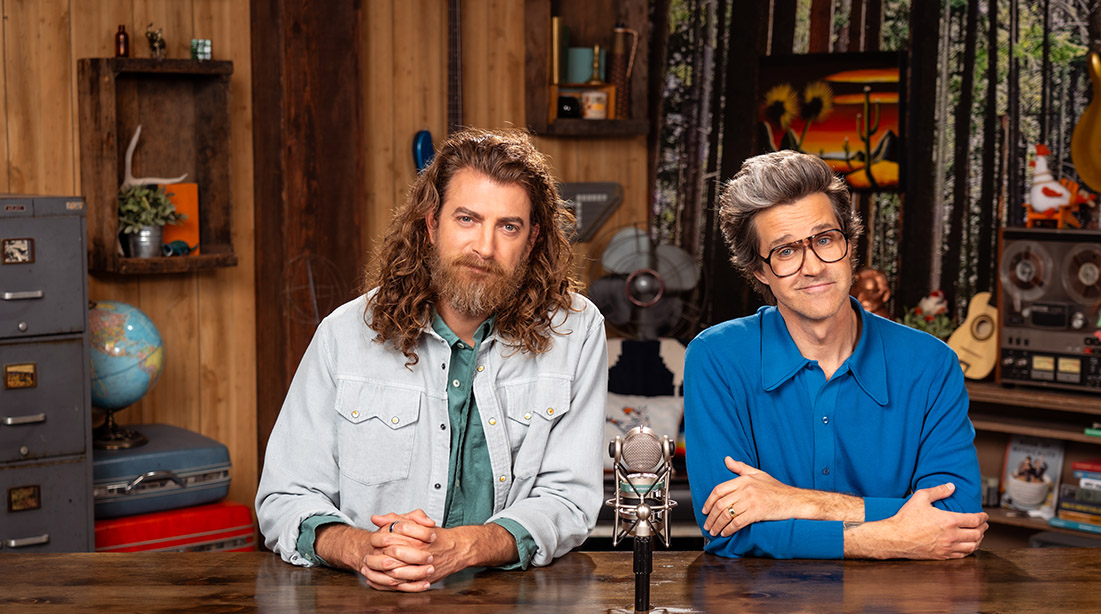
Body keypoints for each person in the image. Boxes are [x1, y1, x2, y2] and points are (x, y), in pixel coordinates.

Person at [256, 128, 608, 590]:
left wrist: (464, 547)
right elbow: (285, 496)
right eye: (467, 219)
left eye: (508, 226)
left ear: (532, 239)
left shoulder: (576, 331)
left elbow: (570, 499)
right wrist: (360, 548)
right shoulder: (344, 334)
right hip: (370, 608)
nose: (485, 247)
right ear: (431, 223)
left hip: (517, 607)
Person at [684, 150, 987, 560]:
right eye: (786, 251)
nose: (812, 267)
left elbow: (957, 519)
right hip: (758, 600)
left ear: (850, 244)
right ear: (760, 271)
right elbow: (725, 528)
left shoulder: (931, 364)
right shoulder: (716, 358)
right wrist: (889, 538)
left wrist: (792, 501)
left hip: (906, 600)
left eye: (825, 239)